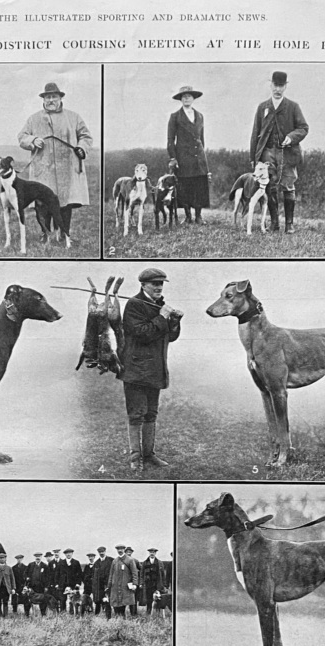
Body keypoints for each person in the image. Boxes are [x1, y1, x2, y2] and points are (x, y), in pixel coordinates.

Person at [120, 268, 182, 473]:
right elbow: (142, 334)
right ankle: (135, 457)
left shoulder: (159, 306)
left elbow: (168, 337)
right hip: (136, 370)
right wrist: (163, 318)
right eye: (154, 283)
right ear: (143, 285)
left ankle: (149, 454)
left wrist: (174, 321)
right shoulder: (134, 305)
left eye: (161, 283)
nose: (158, 287)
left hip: (154, 369)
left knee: (151, 414)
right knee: (136, 414)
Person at [18, 82, 93, 236]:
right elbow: (22, 137)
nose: (51, 100)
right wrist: (32, 140)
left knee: (65, 203)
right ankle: (46, 235)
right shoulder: (33, 119)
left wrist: (81, 148)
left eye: (54, 96)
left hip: (67, 168)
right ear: (43, 100)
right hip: (42, 169)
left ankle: (64, 234)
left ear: (60, 98)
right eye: (48, 97)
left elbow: (86, 136)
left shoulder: (73, 117)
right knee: (42, 202)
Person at [249, 70, 309, 234]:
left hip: (288, 154)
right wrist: (253, 159)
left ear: (285, 87)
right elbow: (255, 133)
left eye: (281, 86)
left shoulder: (293, 106)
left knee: (288, 185)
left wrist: (291, 137)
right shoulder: (263, 107)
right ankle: (275, 222)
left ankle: (289, 224)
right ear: (270, 85)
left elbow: (303, 128)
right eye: (275, 85)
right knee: (270, 187)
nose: (278, 89)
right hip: (267, 153)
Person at [167, 85, 210, 224]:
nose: (187, 98)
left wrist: (203, 154)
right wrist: (173, 158)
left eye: (189, 96)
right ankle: (188, 217)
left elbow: (201, 138)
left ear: (193, 98)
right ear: (180, 99)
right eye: (184, 96)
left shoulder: (200, 116)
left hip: (199, 157)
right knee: (185, 186)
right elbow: (170, 139)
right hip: (183, 156)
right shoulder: (175, 117)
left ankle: (198, 216)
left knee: (199, 185)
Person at [105, 544, 139, 618]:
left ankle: (127, 618)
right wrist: (109, 586)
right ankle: (119, 619)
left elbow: (134, 573)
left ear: (124, 550)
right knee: (116, 604)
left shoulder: (130, 560)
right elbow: (111, 574)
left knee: (125, 603)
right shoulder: (114, 561)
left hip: (125, 586)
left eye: (121, 549)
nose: (120, 551)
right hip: (115, 587)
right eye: (118, 549)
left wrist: (135, 584)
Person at [140, 548, 165, 617]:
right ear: (149, 553)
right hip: (148, 584)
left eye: (153, 552)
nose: (152, 553)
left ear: (155, 553)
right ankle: (148, 613)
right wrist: (141, 583)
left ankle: (157, 613)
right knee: (149, 599)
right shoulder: (145, 563)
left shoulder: (159, 563)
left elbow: (163, 574)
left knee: (158, 599)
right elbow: (141, 574)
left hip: (157, 584)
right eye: (150, 552)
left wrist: (163, 584)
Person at [0, 552, 15, 618]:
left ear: (5, 559)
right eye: (0, 558)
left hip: (6, 588)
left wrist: (13, 588)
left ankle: (6, 615)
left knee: (5, 602)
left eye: (3, 558)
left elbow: (12, 578)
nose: (2, 559)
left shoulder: (9, 568)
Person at [92, 546, 113, 619]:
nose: (101, 553)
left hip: (109, 585)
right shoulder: (96, 563)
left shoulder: (111, 560)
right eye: (100, 552)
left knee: (107, 602)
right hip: (99, 587)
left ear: (105, 551)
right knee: (98, 602)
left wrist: (109, 585)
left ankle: (108, 617)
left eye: (102, 551)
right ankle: (97, 617)